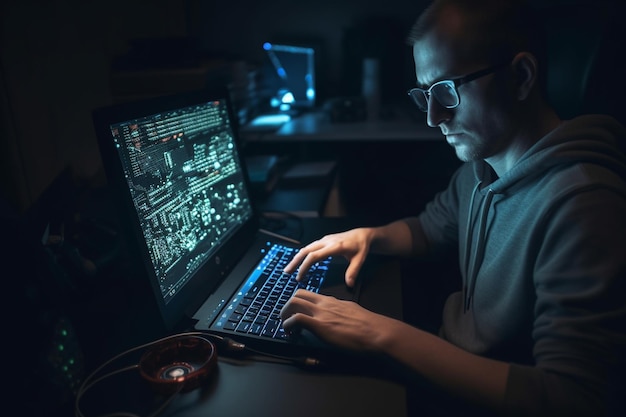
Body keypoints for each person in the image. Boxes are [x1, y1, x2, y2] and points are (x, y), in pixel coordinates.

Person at [279, 0, 626, 415]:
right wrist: (369, 237)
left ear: (521, 76)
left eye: (446, 90)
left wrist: (380, 334)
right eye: (425, 93)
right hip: (446, 361)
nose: (433, 117)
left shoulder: (585, 207)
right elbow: (429, 229)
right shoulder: (482, 168)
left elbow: (569, 398)